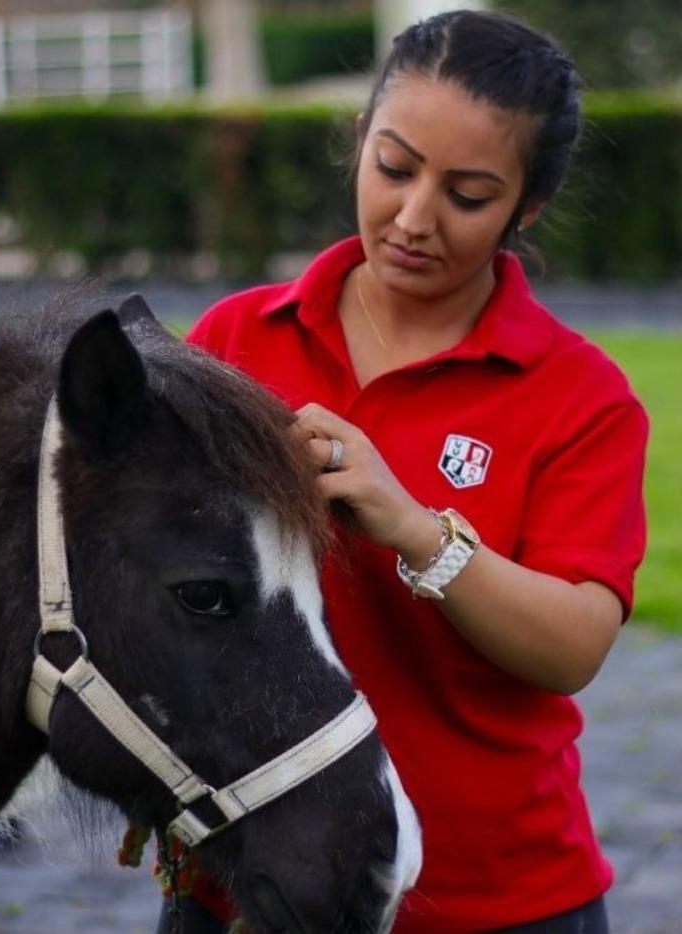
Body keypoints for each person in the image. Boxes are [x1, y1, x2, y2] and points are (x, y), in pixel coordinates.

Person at [162, 9, 648, 933]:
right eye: (394, 168)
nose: (415, 218)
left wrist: (419, 531)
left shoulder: (581, 396)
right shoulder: (233, 341)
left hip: (495, 899)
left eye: (467, 195)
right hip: (251, 889)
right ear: (359, 141)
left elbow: (575, 645)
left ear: (527, 206)